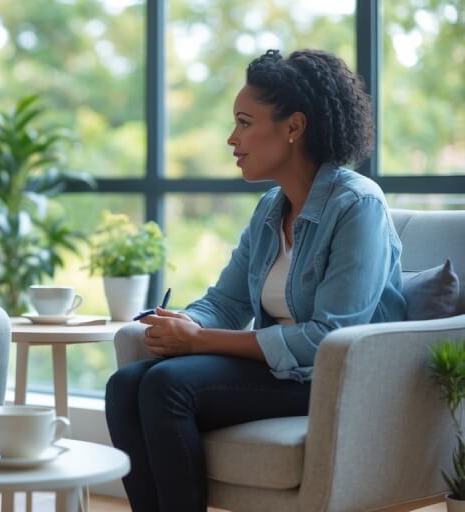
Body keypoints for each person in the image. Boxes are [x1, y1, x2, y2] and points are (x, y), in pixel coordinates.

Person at [105, 48, 407, 511]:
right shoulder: (270, 208)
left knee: (168, 387)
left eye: (245, 122)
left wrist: (199, 340)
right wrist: (182, 320)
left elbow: (329, 336)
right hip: (279, 371)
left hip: (329, 379)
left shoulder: (358, 206)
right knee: (124, 386)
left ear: (293, 127)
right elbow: (224, 303)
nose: (232, 138)